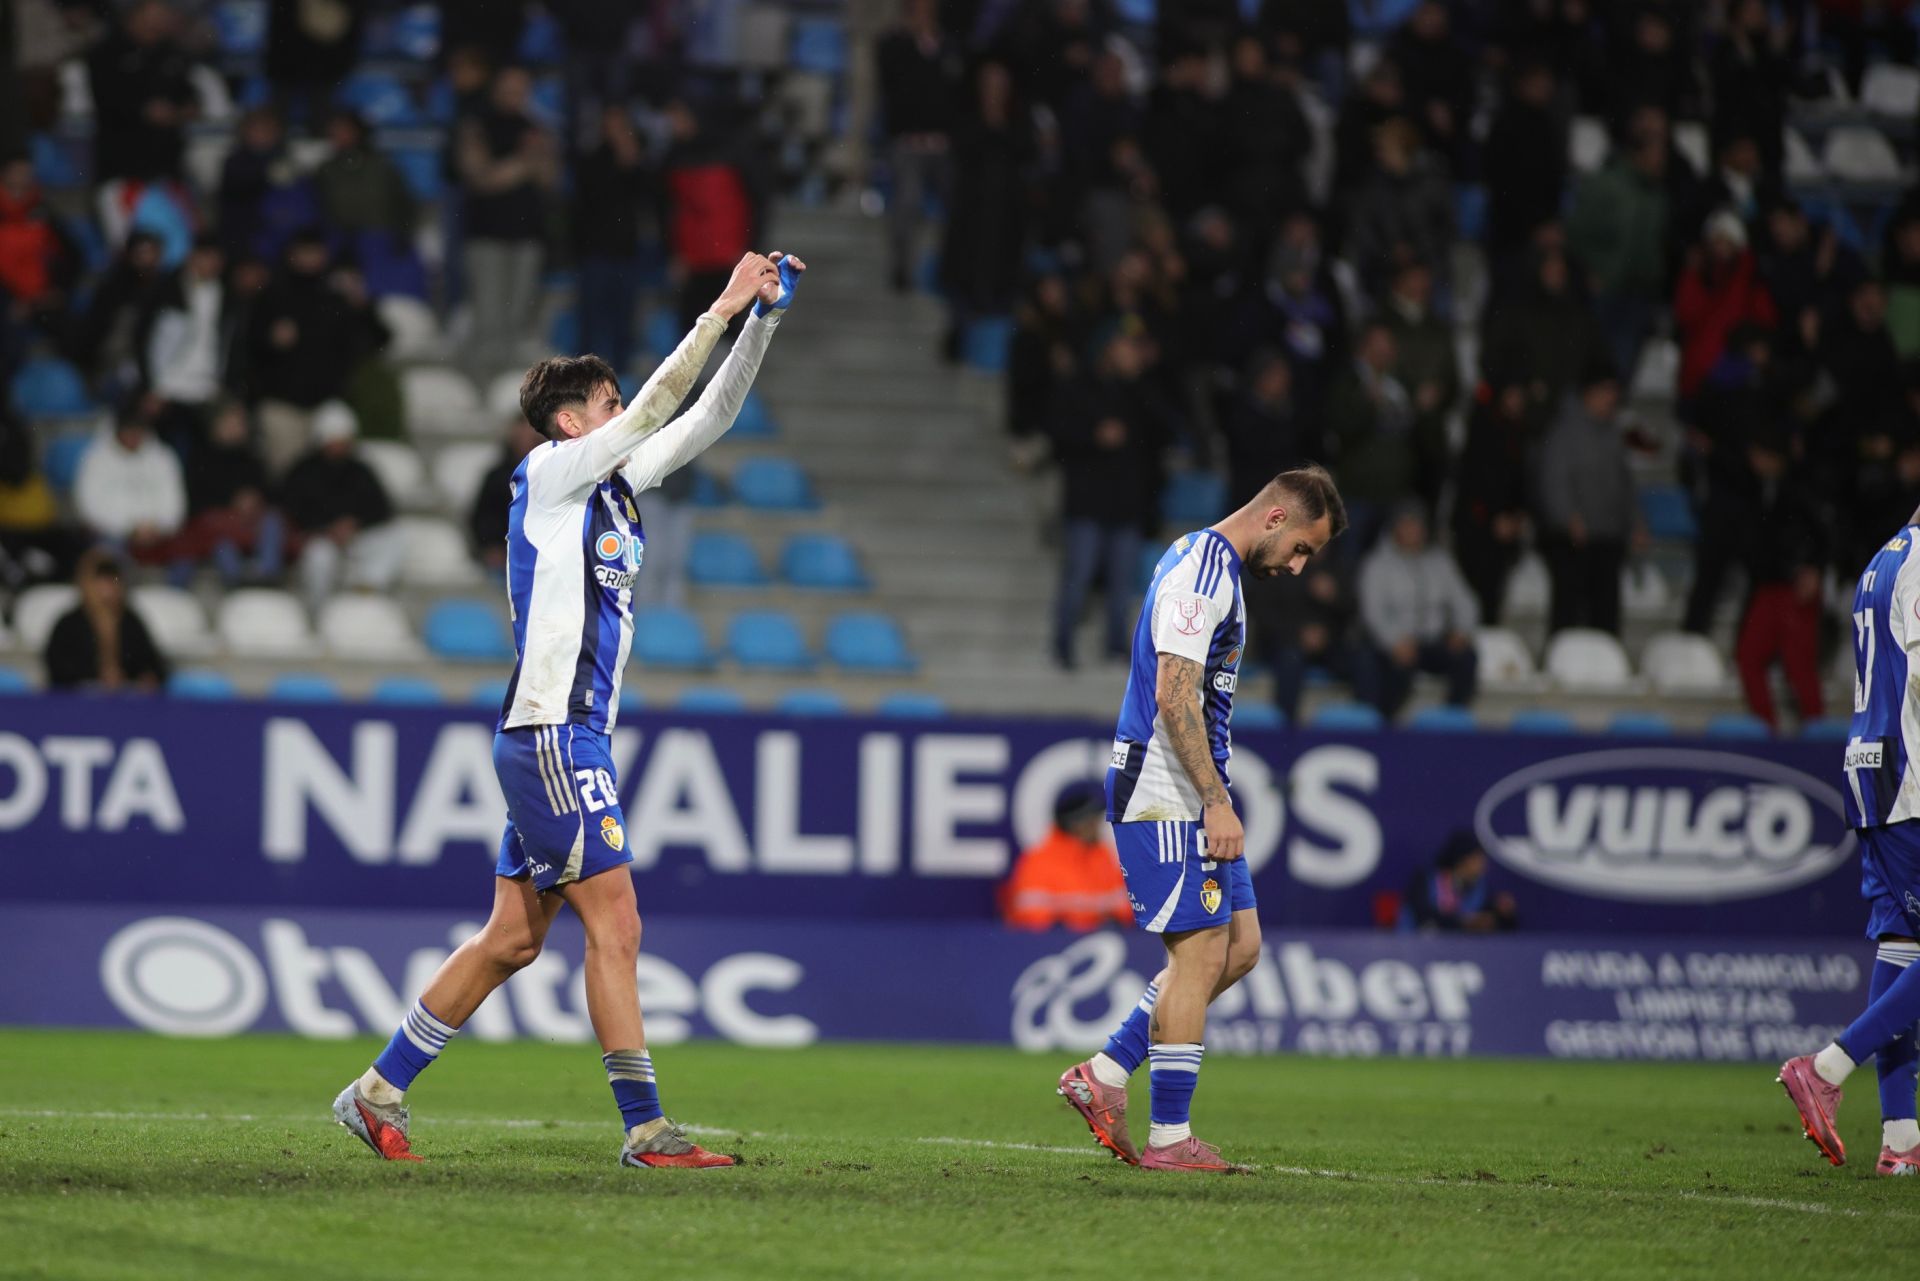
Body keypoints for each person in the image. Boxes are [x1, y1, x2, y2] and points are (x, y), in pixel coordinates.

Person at [331, 249, 799, 1170]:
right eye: (610, 402)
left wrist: (764, 323)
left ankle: (376, 1089)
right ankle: (646, 1128)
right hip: (554, 729)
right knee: (617, 923)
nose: (625, 411)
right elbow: (668, 400)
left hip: (559, 732)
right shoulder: (551, 473)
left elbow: (708, 415)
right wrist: (721, 304)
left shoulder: (611, 486)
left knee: (511, 939)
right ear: (568, 419)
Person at [1056, 464, 1345, 1173]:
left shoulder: (1217, 569)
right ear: (1276, 518)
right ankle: (1168, 1138)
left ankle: (1105, 1073)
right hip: (1165, 791)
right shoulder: (1202, 571)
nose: (1300, 566)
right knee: (1199, 955)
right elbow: (1174, 694)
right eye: (1304, 547)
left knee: (1240, 945)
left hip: (1192, 788)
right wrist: (1215, 800)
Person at [1778, 501, 1920, 1177]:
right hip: (1912, 778)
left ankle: (1899, 1139)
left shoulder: (1879, 559)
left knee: (1902, 945)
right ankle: (1826, 1067)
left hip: (1870, 769)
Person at [1536, 362, 1639, 635]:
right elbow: (1554, 478)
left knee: (1606, 613)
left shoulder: (1614, 432)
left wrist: (1636, 523)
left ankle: (1607, 668)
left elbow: (1625, 483)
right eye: (1606, 391)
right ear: (1589, 393)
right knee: (1568, 613)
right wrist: (1567, 516)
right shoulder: (1564, 431)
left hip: (1609, 536)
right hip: (1574, 538)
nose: (1611, 398)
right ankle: (1561, 664)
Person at [1353, 504, 1478, 721]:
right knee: (1391, 670)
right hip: (1393, 643)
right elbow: (1372, 612)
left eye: (1417, 525)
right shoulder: (1377, 565)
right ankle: (1385, 724)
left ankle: (1451, 720)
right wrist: (1395, 642)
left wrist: (1461, 631)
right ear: (1395, 528)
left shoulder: (1441, 562)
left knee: (1467, 658)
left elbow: (1466, 601)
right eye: (1406, 525)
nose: (1412, 531)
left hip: (1432, 641)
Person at [281, 401, 404, 608]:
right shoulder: (303, 471)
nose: (340, 444)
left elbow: (382, 508)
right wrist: (327, 529)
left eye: (344, 439)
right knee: (319, 557)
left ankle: (366, 594)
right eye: (334, 439)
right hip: (320, 539)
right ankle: (318, 610)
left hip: (356, 537)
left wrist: (355, 524)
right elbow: (293, 511)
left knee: (397, 537)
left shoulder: (361, 470)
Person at [1000, 785, 1131, 932]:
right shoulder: (1039, 861)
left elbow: (1126, 906)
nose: (1097, 826)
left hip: (1102, 941)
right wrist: (1087, 916)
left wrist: (1094, 916)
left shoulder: (1102, 856)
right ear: (1076, 824)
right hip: (1051, 948)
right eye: (1092, 820)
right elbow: (1030, 916)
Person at [73, 400, 185, 562]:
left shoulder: (163, 456)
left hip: (158, 533)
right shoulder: (95, 458)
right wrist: (129, 528)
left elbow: (174, 501)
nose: (133, 437)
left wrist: (157, 526)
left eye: (138, 431)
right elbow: (89, 505)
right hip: (113, 534)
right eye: (129, 431)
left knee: (185, 556)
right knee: (107, 555)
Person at [43, 549, 168, 692]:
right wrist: (96, 677)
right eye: (100, 583)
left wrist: (147, 677)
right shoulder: (69, 623)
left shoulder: (130, 621)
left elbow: (153, 663)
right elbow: (57, 668)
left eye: (112, 582)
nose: (107, 591)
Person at [1398, 832, 1516, 934]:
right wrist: (1463, 923)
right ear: (1462, 860)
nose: (1483, 865)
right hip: (1416, 949)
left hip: (1463, 953)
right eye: (1477, 859)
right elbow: (1423, 916)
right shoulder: (1427, 880)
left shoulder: (1481, 888)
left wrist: (1505, 915)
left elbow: (1495, 923)